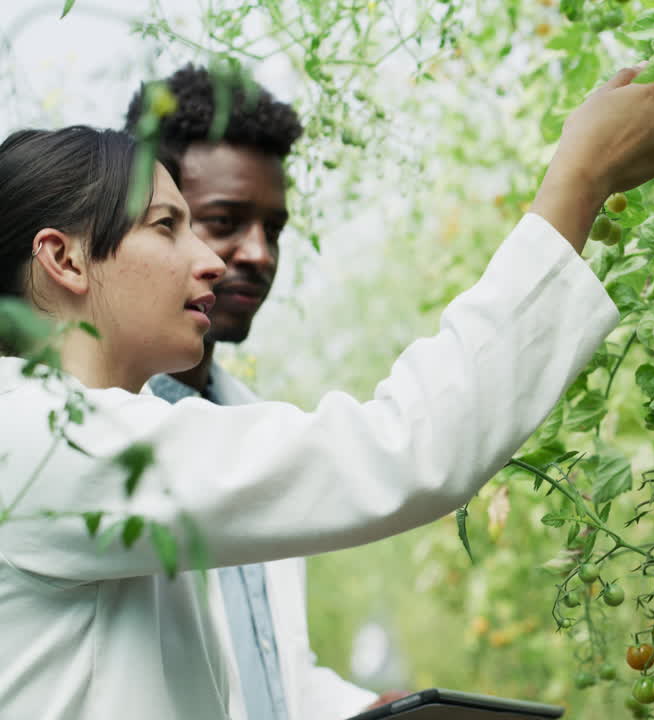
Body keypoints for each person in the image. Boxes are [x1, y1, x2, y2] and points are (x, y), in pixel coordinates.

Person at [0, 65, 654, 720]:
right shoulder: (45, 439)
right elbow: (400, 450)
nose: (214, 260)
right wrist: (576, 183)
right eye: (167, 226)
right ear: (64, 258)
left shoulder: (100, 437)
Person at [124, 65, 390, 719]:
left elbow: (268, 669)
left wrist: (380, 708)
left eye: (273, 229)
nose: (258, 253)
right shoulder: (100, 434)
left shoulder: (247, 418)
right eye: (224, 221)